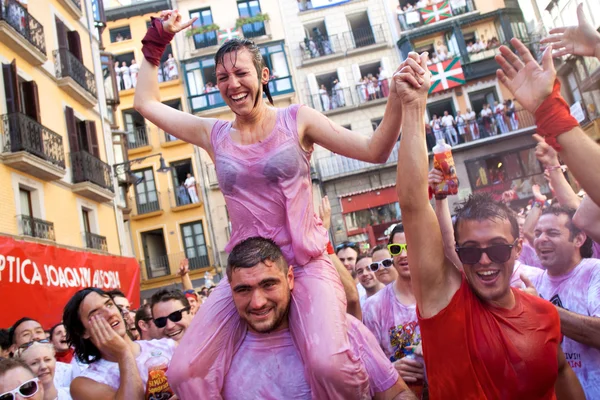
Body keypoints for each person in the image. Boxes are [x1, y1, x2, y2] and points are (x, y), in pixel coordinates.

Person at [136, 10, 422, 398]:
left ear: (263, 76)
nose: (232, 84)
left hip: (305, 265)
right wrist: (156, 44)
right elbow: (146, 104)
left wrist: (396, 99)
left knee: (328, 364)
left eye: (241, 74)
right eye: (222, 78)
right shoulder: (213, 133)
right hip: (246, 272)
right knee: (184, 371)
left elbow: (375, 150)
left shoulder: (297, 119)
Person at [394, 51, 585, 398]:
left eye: (496, 248)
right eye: (470, 252)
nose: (484, 260)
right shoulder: (444, 303)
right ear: (458, 253)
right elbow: (411, 204)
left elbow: (562, 377)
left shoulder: (545, 314)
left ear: (516, 249)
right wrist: (413, 108)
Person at [221, 237, 417, 399]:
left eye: (268, 285)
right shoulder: (219, 354)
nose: (257, 302)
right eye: (243, 290)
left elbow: (396, 393)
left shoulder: (341, 330)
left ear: (289, 278)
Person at [528, 206, 600, 398]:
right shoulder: (532, 282)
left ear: (578, 239)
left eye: (552, 233)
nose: (541, 239)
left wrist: (543, 309)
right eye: (537, 233)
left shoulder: (595, 272)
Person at [64, 288, 177, 399]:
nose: (110, 313)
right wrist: (123, 354)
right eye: (97, 314)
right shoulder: (85, 383)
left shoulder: (167, 346)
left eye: (109, 305)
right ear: (83, 332)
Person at [362, 224, 426, 396]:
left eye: (410, 247)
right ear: (391, 253)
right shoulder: (373, 307)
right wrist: (389, 371)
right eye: (397, 249)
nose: (403, 255)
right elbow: (367, 367)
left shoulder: (440, 295)